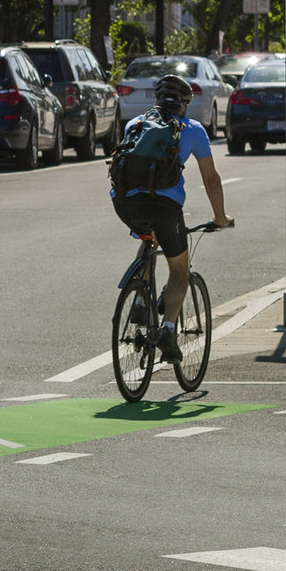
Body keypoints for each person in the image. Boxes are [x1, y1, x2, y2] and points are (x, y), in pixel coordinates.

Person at [107, 73, 232, 364]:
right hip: (164, 205)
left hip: (125, 203)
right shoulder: (193, 129)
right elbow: (211, 180)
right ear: (185, 104)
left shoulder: (134, 124)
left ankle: (139, 300)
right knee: (179, 269)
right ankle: (168, 330)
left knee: (148, 238)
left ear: (157, 100)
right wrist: (220, 216)